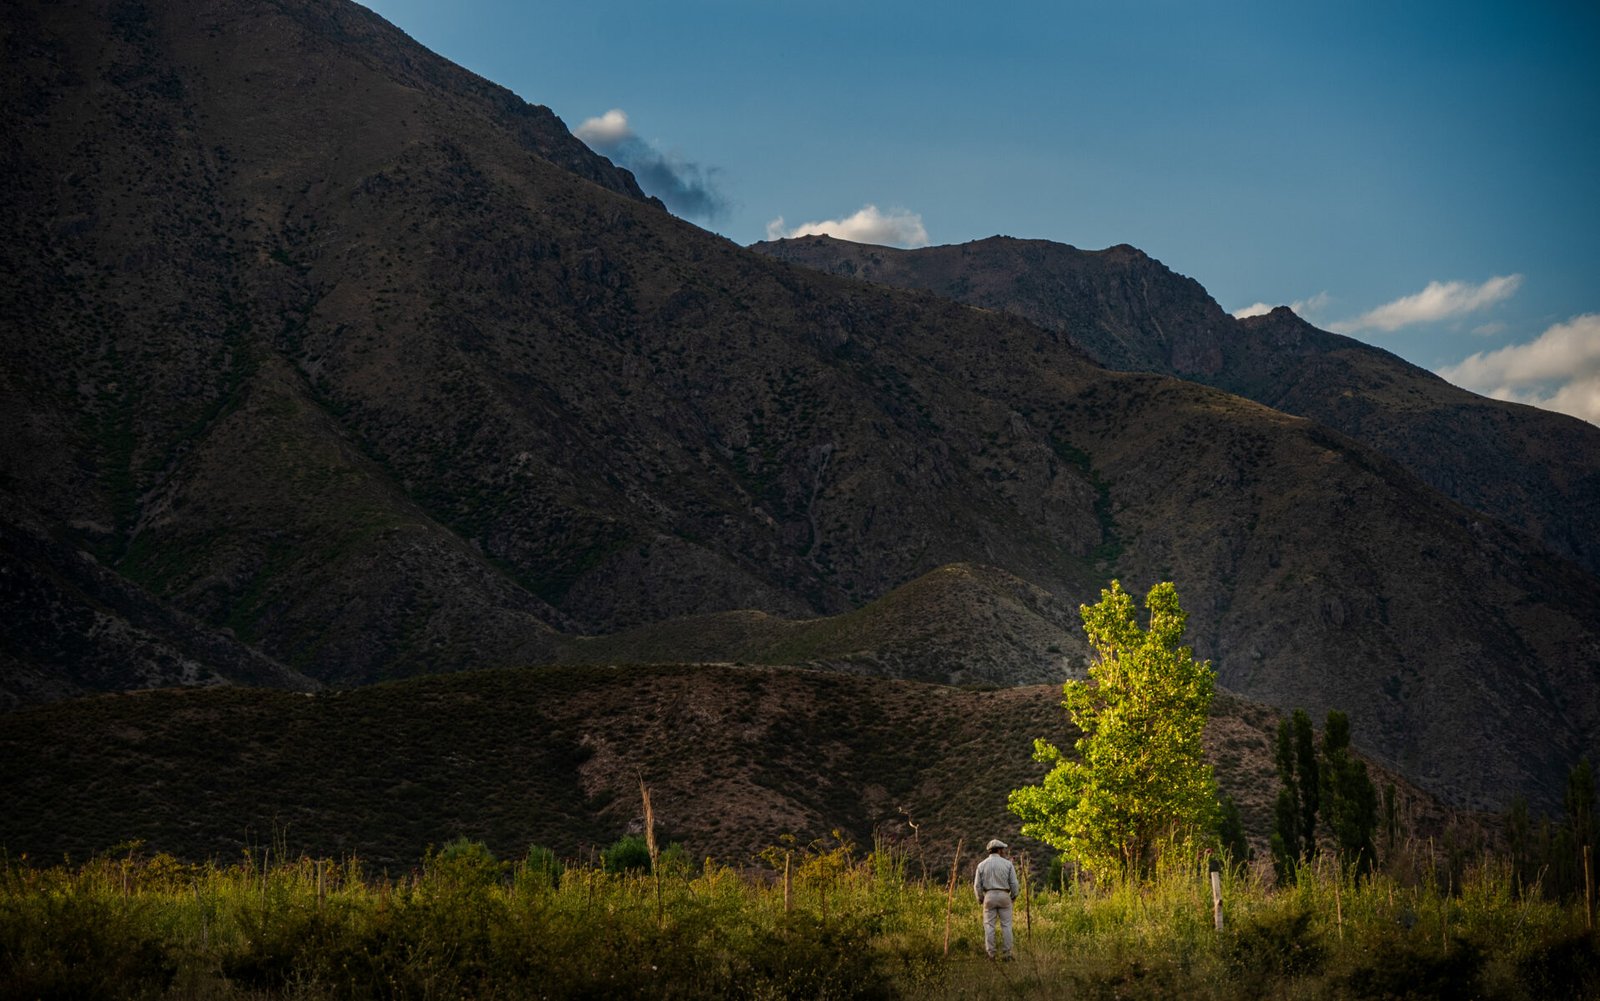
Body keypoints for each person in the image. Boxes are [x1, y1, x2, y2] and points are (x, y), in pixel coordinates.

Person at [973, 838, 1020, 960]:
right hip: (1004, 895)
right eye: (1002, 849)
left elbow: (977, 885)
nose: (1004, 851)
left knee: (989, 925)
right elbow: (1014, 883)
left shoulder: (981, 865)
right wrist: (1013, 896)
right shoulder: (1008, 864)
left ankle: (991, 954)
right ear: (999, 850)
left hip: (989, 896)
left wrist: (980, 898)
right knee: (1006, 925)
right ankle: (1007, 954)